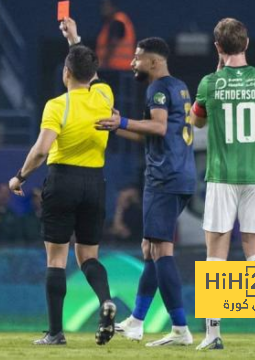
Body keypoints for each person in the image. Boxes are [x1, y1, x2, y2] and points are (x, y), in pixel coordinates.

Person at [8, 17, 116, 346]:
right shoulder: (104, 96)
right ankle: (106, 301)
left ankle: (55, 333)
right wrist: (75, 40)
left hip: (63, 179)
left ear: (65, 74)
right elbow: (90, 72)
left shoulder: (57, 105)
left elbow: (41, 150)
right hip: (95, 182)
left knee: (56, 258)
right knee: (89, 256)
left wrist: (20, 176)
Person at [190, 18, 255, 350]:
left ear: (218, 47)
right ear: (246, 44)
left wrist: (216, 72)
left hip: (221, 177)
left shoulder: (209, 84)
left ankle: (214, 334)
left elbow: (197, 122)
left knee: (215, 256)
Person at [96, 37, 196, 346]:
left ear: (153, 62)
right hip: (180, 175)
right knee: (150, 248)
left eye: (137, 58)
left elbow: (159, 127)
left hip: (163, 178)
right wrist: (119, 127)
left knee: (161, 251)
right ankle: (137, 321)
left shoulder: (156, 89)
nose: (132, 63)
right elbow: (159, 135)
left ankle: (180, 328)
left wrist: (123, 119)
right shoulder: (180, 86)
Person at [95, 0, 135, 71]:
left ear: (114, 8)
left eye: (107, 6)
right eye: (103, 6)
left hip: (117, 69)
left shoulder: (117, 22)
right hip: (118, 69)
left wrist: (101, 63)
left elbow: (112, 44)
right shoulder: (110, 23)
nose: (104, 9)